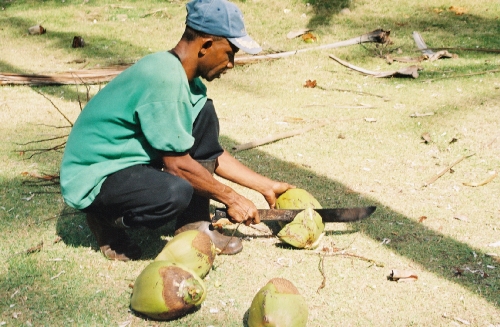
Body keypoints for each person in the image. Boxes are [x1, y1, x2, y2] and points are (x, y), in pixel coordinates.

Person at [60, 0, 295, 261]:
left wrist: (265, 186)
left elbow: (210, 153)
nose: (231, 63)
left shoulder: (186, 81)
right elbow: (178, 166)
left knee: (203, 112)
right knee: (174, 192)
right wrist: (231, 198)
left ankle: (194, 226)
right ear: (206, 45)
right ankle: (104, 220)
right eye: (230, 52)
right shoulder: (164, 80)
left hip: (129, 164)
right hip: (96, 176)